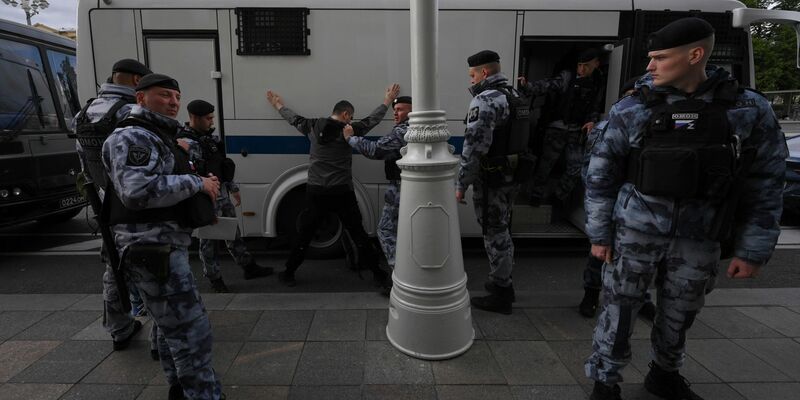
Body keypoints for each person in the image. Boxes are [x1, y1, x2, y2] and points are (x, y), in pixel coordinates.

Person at [583, 18, 786, 400]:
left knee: (681, 311)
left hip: (701, 234)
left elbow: (766, 181)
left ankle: (664, 373)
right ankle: (604, 382)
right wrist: (599, 234)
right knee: (619, 309)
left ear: (695, 56)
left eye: (660, 57)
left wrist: (753, 249)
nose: (650, 66)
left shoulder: (745, 108)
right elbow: (600, 173)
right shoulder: (633, 107)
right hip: (635, 232)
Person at [102, 73, 224, 400]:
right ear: (140, 98)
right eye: (164, 95)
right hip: (154, 248)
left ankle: (182, 390)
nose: (172, 103)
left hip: (159, 247)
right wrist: (199, 185)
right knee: (192, 333)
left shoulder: (155, 134)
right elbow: (138, 192)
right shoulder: (133, 137)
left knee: (173, 332)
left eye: (176, 97)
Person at [265, 85, 399, 292]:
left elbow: (293, 119)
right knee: (358, 234)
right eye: (351, 116)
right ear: (345, 114)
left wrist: (278, 105)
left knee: (305, 234)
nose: (351, 120)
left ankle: (289, 272)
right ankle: (379, 275)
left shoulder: (312, 126)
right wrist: (387, 101)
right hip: (342, 192)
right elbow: (373, 120)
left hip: (316, 191)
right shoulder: (349, 130)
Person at [72, 58, 151, 351]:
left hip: (104, 203)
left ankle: (119, 328)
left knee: (113, 269)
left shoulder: (84, 113)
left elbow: (83, 164)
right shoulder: (132, 112)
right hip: (133, 206)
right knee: (151, 266)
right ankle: (158, 335)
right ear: (135, 82)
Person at [457, 50, 531, 315]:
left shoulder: (485, 100)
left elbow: (475, 147)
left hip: (493, 179)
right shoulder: (514, 96)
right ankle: (503, 284)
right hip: (512, 175)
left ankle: (501, 292)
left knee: (494, 233)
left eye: (472, 74)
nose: (472, 79)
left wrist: (461, 183)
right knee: (502, 228)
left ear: (484, 72)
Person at [578, 76, 656, 321]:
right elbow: (590, 171)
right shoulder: (604, 128)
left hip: (640, 206)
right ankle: (590, 294)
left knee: (639, 260)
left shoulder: (653, 124)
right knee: (599, 253)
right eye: (629, 95)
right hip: (613, 203)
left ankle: (642, 299)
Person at [177, 99, 273, 293]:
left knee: (232, 232)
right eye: (208, 118)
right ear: (194, 118)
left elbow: (221, 165)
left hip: (221, 195)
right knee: (209, 241)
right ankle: (214, 278)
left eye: (212, 117)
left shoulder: (211, 139)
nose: (212, 121)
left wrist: (232, 187)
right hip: (204, 198)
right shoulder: (185, 142)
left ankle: (248, 266)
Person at [520, 48, 605, 206]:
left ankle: (558, 197)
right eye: (579, 65)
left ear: (596, 64)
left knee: (576, 167)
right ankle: (536, 195)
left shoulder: (598, 81)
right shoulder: (568, 76)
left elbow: (595, 106)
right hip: (557, 128)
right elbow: (548, 85)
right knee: (546, 165)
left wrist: (592, 121)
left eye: (586, 65)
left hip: (577, 131)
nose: (581, 69)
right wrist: (527, 86)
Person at [343, 95, 412, 269]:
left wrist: (351, 138)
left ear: (413, 110)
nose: (395, 113)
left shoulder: (403, 131)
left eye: (400, 110)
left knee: (386, 229)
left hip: (400, 187)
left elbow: (376, 150)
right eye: (394, 110)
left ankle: (399, 271)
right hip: (407, 186)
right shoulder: (415, 128)